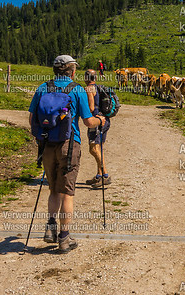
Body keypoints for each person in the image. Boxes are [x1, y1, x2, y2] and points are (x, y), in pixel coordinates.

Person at [29, 55, 105, 253]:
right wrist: (101, 121)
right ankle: (64, 238)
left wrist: (42, 138)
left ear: (54, 70)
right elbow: (88, 121)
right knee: (68, 192)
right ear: (72, 71)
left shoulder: (42, 88)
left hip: (47, 145)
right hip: (69, 145)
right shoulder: (78, 90)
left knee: (53, 189)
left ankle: (50, 228)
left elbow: (32, 118)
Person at [84, 70, 112, 188]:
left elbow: (90, 107)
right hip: (105, 120)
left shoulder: (88, 89)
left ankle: (105, 175)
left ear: (86, 77)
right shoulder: (98, 87)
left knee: (93, 149)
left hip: (96, 122)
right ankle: (99, 176)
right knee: (99, 148)